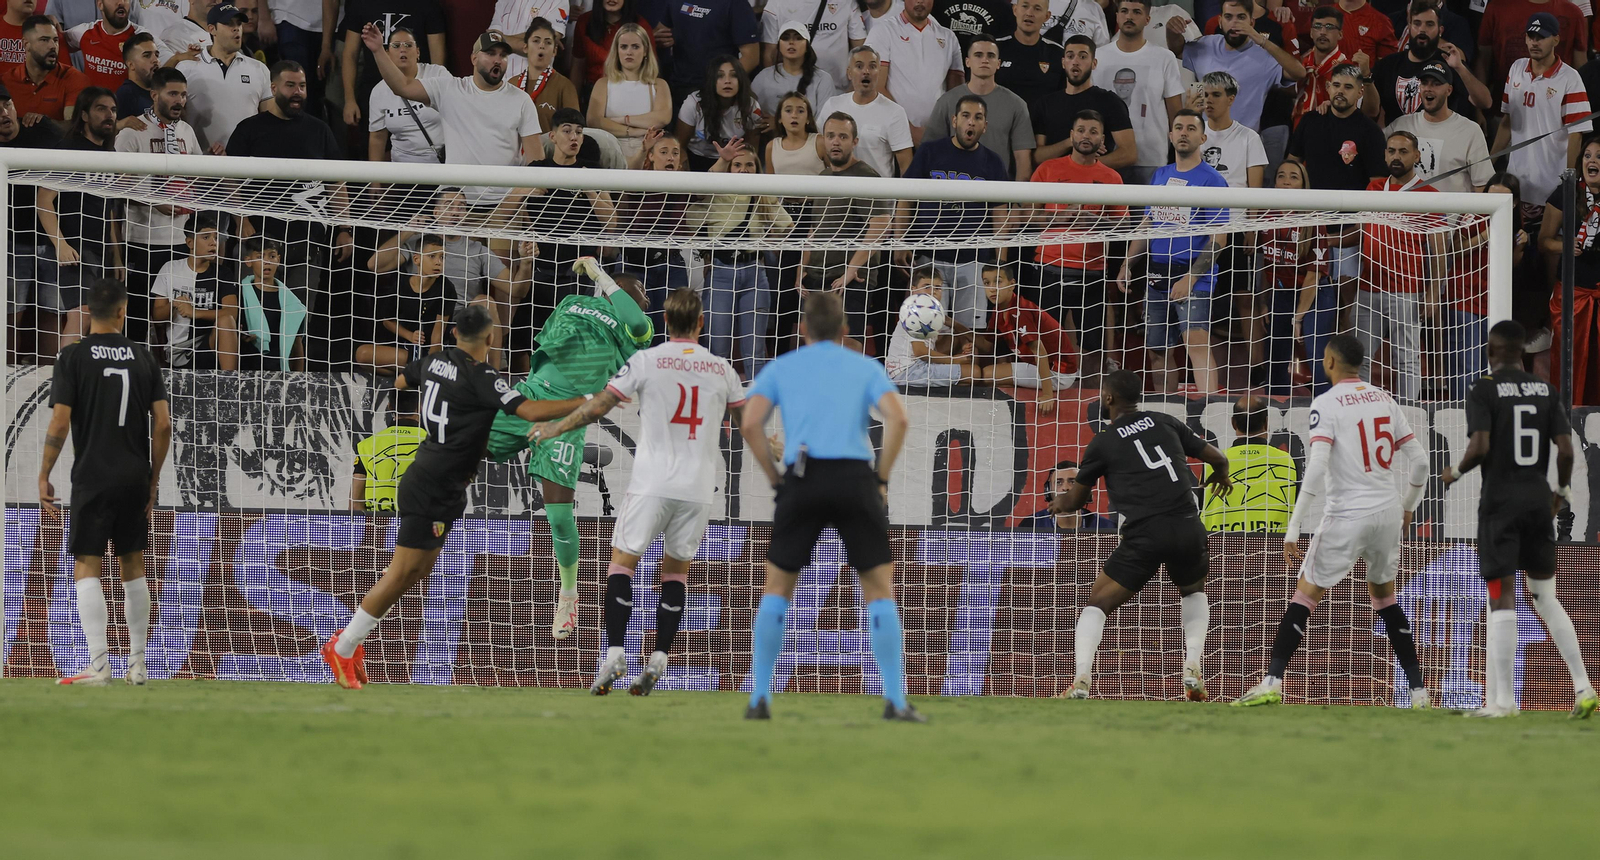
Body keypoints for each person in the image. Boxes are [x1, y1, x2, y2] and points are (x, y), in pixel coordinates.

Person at [321, 305, 587, 689]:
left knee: (416, 572)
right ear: (490, 338)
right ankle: (344, 646)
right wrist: (588, 401)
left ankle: (352, 642)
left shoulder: (433, 362)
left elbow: (401, 381)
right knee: (401, 574)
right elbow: (529, 410)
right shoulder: (482, 376)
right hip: (433, 482)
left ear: (452, 334)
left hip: (438, 480)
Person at [529, 289, 747, 696]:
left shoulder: (646, 360)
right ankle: (661, 654)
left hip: (653, 482)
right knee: (676, 573)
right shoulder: (723, 370)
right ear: (701, 323)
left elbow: (599, 407)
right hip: (698, 487)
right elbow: (748, 424)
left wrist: (556, 427)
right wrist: (777, 450)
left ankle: (614, 652)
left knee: (622, 566)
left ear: (665, 321)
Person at [739, 291, 921, 721]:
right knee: (879, 590)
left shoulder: (782, 366)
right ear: (844, 331)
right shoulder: (863, 366)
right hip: (855, 477)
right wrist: (881, 478)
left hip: (801, 477)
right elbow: (899, 418)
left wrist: (774, 477)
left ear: (802, 329)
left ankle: (758, 698)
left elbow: (749, 423)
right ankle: (894, 701)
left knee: (777, 588)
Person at [1235, 335, 1430, 709]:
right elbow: (1420, 462)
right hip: (1388, 511)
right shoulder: (1385, 399)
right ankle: (1419, 692)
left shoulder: (1326, 403)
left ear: (1328, 362)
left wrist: (1293, 527)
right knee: (1385, 598)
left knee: (1305, 595)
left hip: (1347, 514)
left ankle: (1272, 682)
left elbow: (1318, 466)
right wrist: (1408, 506)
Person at [486, 258, 654, 641]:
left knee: (559, 516)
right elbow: (544, 346)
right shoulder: (572, 302)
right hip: (528, 397)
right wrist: (601, 283)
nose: (646, 297)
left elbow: (639, 322)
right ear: (624, 287)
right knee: (467, 446)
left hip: (570, 414)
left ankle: (568, 593)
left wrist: (599, 273)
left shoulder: (636, 332)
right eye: (641, 289)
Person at [1442, 321, 1595, 719]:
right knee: (1545, 597)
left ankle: (1504, 703)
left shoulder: (1483, 388)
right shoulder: (1546, 390)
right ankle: (1584, 686)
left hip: (1500, 504)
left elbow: (1480, 446)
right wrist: (1560, 492)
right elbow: (1565, 450)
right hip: (1537, 502)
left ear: (1491, 353)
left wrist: (1454, 473)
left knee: (1501, 596)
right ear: (1522, 353)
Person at [1049, 369, 1230, 700]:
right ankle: (1192, 666)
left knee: (1098, 603)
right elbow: (1218, 457)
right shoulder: (1165, 421)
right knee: (1192, 592)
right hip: (1188, 525)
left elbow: (1076, 500)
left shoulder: (1102, 442)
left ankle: (1081, 680)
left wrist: (1061, 501)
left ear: (1108, 398)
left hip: (1146, 532)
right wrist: (1221, 474)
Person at [40, 278, 171, 687]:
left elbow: (60, 420)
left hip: (93, 474)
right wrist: (153, 480)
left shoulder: (73, 357)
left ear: (89, 312)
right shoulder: (144, 357)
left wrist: (43, 473)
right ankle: (138, 666)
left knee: (87, 564)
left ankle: (99, 666)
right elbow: (164, 425)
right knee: (133, 564)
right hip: (133, 474)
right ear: (122, 311)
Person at [363, 26, 543, 209]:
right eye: (490, 53)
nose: (497, 60)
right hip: (456, 205)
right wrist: (378, 51)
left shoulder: (521, 100)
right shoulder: (449, 89)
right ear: (474, 58)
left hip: (504, 205)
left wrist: (517, 200)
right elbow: (402, 86)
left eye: (503, 55)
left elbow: (536, 162)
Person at [1117, 110, 1229, 395]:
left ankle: (1210, 416)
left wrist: (1190, 279)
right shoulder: (1160, 175)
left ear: (1202, 138)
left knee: (1197, 346)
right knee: (1157, 351)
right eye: (1178, 127)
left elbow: (1220, 238)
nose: (1183, 132)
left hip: (1193, 275)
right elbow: (1147, 223)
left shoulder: (1212, 180)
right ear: (1170, 135)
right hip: (1156, 272)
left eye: (1191, 128)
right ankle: (1166, 411)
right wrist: (1127, 263)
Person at [1030, 108, 1125, 384]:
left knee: (1093, 345)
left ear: (1102, 138)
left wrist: (1097, 221)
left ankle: (1090, 400)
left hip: (1091, 272)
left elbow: (1122, 226)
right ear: (1071, 135)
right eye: (1081, 130)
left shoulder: (1111, 178)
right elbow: (1026, 216)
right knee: (1045, 340)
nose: (1086, 136)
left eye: (1093, 131)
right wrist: (1062, 216)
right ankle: (1046, 393)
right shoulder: (1048, 169)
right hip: (1048, 268)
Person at [902, 93, 1011, 330]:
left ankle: (964, 369)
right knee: (925, 329)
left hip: (974, 261)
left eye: (978, 117)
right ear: (954, 121)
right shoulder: (930, 152)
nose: (971, 122)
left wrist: (1000, 262)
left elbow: (1000, 214)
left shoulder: (993, 162)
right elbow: (905, 197)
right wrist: (901, 242)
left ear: (985, 126)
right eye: (965, 116)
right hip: (930, 258)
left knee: (969, 332)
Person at [693, 143, 792, 378]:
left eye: (749, 165)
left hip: (755, 273)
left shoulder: (762, 194)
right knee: (717, 349)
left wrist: (769, 238)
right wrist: (720, 160)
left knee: (755, 351)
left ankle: (756, 410)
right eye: (737, 165)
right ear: (728, 168)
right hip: (721, 273)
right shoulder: (714, 191)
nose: (743, 169)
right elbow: (698, 190)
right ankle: (719, 407)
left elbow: (788, 227)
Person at [112, 65, 195, 344]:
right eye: (172, 93)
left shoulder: (187, 131)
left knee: (177, 313)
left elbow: (195, 178)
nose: (179, 101)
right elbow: (118, 184)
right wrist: (153, 200)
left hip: (181, 239)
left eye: (183, 95)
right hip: (143, 239)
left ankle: (170, 368)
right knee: (137, 311)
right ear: (154, 94)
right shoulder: (133, 131)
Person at [35, 86, 118, 358]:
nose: (110, 115)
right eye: (101, 109)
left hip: (99, 248)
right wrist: (60, 244)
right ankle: (65, 377)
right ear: (83, 114)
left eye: (113, 110)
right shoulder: (68, 150)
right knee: (81, 315)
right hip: (72, 247)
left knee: (108, 318)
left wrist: (116, 255)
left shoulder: (111, 154)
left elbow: (109, 210)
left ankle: (93, 375)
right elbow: (43, 200)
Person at [1358, 131, 1437, 401]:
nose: (1396, 156)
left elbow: (1438, 251)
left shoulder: (1430, 194)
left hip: (1407, 290)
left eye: (1403, 152)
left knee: (1406, 359)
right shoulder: (1373, 189)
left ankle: (1409, 415)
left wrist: (1434, 292)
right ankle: (1362, 412)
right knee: (1361, 358)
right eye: (1391, 150)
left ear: (1416, 156)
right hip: (1368, 287)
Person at [1492, 14, 1592, 223]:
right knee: (1514, 249)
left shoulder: (1570, 78)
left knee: (1545, 248)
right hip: (1516, 184)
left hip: (1551, 186)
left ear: (1556, 39)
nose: (1534, 42)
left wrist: (1569, 180)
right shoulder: (1516, 69)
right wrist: (1489, 163)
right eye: (1530, 36)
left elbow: (1576, 134)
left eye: (1541, 37)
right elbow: (1507, 122)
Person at [1175, 0, 1303, 133]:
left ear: (1252, 22)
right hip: (1206, 137)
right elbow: (1179, 53)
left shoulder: (1263, 55)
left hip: (1250, 135)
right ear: (1220, 21)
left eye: (1241, 17)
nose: (1235, 23)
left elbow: (1299, 73)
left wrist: (1261, 40)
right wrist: (1172, 31)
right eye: (1229, 17)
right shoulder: (1207, 43)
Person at [1257, 160, 1328, 395]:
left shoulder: (1313, 220)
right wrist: (1266, 302)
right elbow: (1268, 264)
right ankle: (1275, 410)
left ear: (1303, 185)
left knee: (1317, 355)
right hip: (1281, 292)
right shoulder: (1266, 216)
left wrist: (1298, 317)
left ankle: (1323, 407)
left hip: (1315, 293)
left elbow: (1313, 275)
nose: (1286, 180)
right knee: (1275, 354)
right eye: (1281, 175)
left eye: (1294, 177)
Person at [1093, 0, 1183, 183]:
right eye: (1124, 11)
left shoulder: (1164, 58)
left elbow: (1175, 114)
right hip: (1107, 157)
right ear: (1117, 16)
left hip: (1152, 159)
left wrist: (1179, 157)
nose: (1129, 16)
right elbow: (1089, 107)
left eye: (1136, 12)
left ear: (1147, 19)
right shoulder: (1098, 56)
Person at [924, 33, 1036, 179]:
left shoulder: (1016, 105)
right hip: (953, 190)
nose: (984, 60)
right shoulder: (946, 101)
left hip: (997, 193)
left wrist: (1019, 201)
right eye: (978, 55)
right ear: (968, 62)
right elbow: (929, 151)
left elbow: (1023, 159)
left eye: (990, 55)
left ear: (998, 63)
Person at [1539, 142, 1600, 405]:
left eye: (1598, 156)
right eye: (1587, 155)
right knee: (1568, 363)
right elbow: (1543, 241)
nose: (1591, 161)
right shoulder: (1567, 191)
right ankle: (1565, 424)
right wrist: (1565, 245)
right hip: (1573, 296)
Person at [1367, 0, 1489, 127]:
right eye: (1417, 24)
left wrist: (1460, 67)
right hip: (1397, 142)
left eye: (1429, 24)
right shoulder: (1388, 65)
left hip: (1439, 141)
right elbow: (1371, 111)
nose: (1422, 30)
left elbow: (1485, 102)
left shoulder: (1449, 63)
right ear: (1409, 27)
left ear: (1440, 30)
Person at [337, 0, 446, 140]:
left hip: (418, 93)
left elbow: (438, 60)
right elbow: (350, 55)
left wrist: (436, 100)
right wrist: (349, 100)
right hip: (372, 89)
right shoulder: (361, 4)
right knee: (373, 148)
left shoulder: (429, 5)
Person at [978, 262, 1078, 410]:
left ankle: (1033, 397)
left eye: (998, 282)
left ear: (1012, 284)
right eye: (987, 283)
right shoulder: (999, 310)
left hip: (1059, 373)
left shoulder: (1021, 311)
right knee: (994, 375)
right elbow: (986, 346)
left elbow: (1040, 351)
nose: (992, 288)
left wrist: (1047, 395)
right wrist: (954, 325)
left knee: (988, 375)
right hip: (1039, 366)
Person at [1384, 61, 1491, 194]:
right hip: (1407, 213)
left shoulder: (1470, 131)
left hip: (1451, 214)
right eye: (1425, 83)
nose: (1429, 88)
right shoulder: (1401, 125)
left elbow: (1482, 185)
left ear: (1449, 90)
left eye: (1436, 84)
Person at [864, 0, 963, 143]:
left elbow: (956, 92)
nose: (920, 1)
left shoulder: (949, 37)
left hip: (938, 136)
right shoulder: (883, 31)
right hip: (891, 136)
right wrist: (909, 130)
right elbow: (875, 88)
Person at [1032, 34, 1135, 170]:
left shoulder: (1110, 102)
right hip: (1055, 184)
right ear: (1063, 63)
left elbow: (1129, 154)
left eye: (1083, 56)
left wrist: (1088, 165)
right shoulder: (1045, 104)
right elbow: (1038, 157)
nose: (1075, 61)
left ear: (1094, 63)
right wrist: (1071, 142)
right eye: (1070, 56)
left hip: (1094, 185)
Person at [175, 4, 267, 151]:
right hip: (201, 163)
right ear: (212, 29)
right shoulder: (187, 68)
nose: (236, 28)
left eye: (238, 23)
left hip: (247, 163)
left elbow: (270, 120)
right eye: (229, 24)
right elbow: (176, 117)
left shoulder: (259, 69)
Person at [356, 234, 452, 375]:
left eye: (442, 257)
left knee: (427, 364)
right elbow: (387, 321)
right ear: (416, 259)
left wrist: (432, 366)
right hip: (406, 350)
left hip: (431, 353)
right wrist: (409, 335)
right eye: (432, 256)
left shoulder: (447, 288)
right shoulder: (402, 284)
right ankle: (412, 374)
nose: (438, 262)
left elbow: (437, 337)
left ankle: (423, 372)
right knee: (362, 354)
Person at [1201, 395, 1298, 532]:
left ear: (1233, 423)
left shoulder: (1212, 463)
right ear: (1266, 423)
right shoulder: (1287, 462)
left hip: (1220, 548)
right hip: (1272, 548)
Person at [151, 211, 233, 369]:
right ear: (190, 243)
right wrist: (174, 304)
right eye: (206, 237)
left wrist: (194, 312)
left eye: (216, 237)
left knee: (226, 322)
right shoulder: (170, 268)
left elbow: (231, 313)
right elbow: (157, 317)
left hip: (209, 344)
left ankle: (231, 387)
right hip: (179, 351)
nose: (213, 243)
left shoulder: (223, 273)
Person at [818, 45, 913, 177]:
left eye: (872, 66)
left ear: (879, 72)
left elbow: (906, 166)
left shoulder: (895, 112)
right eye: (859, 66)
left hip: (878, 195)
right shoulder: (832, 105)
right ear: (849, 73)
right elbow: (819, 148)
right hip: (838, 192)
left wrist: (903, 198)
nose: (866, 71)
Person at [1287, 63, 1384, 191]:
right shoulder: (1310, 121)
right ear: (1328, 87)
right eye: (1336, 85)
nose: (1340, 91)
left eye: (1348, 87)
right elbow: (1292, 164)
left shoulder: (1371, 131)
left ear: (1360, 92)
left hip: (1353, 208)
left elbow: (1378, 182)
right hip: (1311, 206)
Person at [587, 23, 671, 160]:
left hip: (648, 150)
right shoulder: (602, 84)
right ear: (617, 51)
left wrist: (621, 120)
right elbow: (594, 121)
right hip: (610, 147)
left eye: (635, 47)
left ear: (645, 51)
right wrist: (633, 131)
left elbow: (662, 118)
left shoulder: (659, 85)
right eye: (624, 47)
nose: (629, 52)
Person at [364, 24, 447, 163]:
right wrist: (375, 183)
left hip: (442, 164)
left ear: (418, 52)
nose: (403, 49)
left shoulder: (438, 75)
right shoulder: (379, 91)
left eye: (409, 45)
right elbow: (377, 138)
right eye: (396, 46)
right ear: (387, 54)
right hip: (403, 169)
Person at [886, 267, 979, 388]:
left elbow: (954, 338)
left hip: (909, 368)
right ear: (913, 290)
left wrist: (962, 345)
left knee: (958, 346)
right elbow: (920, 352)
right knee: (974, 372)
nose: (933, 291)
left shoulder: (932, 312)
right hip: (907, 371)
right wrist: (954, 360)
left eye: (937, 288)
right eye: (927, 286)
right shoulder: (917, 310)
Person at [657, 0, 760, 108]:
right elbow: (661, 30)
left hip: (716, 92)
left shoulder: (735, 3)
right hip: (679, 85)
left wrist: (723, 83)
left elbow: (751, 56)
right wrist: (659, 39)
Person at [225, 236, 305, 371]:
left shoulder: (292, 303)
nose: (267, 261)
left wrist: (298, 380)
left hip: (278, 372)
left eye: (272, 256)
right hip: (244, 368)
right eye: (260, 256)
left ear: (278, 260)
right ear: (248, 261)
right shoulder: (237, 294)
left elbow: (297, 346)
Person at [676, 54, 762, 172]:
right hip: (696, 158)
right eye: (720, 76)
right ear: (712, 80)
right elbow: (680, 145)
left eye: (734, 75)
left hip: (734, 160)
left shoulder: (751, 106)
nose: (727, 81)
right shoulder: (693, 103)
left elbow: (752, 149)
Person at [1477, 0, 1585, 92]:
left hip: (1558, 108)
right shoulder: (1497, 8)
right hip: (1504, 105)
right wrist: (1478, 109)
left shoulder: (1572, 13)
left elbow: (1581, 68)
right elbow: (1483, 59)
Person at [350, 389, 425, 513]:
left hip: (379, 526)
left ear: (389, 407)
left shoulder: (367, 445)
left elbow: (355, 503)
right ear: (420, 407)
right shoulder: (435, 445)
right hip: (419, 525)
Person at [7, 14, 89, 125]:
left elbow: (73, 127)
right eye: (44, 40)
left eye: (55, 40)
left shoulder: (75, 79)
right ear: (26, 44)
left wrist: (45, 123)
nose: (53, 46)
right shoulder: (6, 81)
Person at [760, 3, 862, 91]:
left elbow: (861, 51)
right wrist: (776, 90)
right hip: (791, 94)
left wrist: (853, 89)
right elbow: (770, 55)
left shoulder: (846, 2)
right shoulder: (776, 4)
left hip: (839, 90)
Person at [751, 21, 838, 121]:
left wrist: (779, 125)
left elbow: (825, 122)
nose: (791, 42)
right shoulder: (763, 77)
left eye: (798, 38)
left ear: (807, 46)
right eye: (786, 38)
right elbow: (751, 113)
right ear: (779, 45)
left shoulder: (823, 79)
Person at [1195, 70, 1265, 188]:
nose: (1209, 100)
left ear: (1231, 99)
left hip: (1235, 205)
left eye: (1216, 95)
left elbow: (1255, 193)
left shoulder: (1250, 137)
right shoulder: (1194, 133)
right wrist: (1192, 115)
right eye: (1205, 95)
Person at [511, 17, 578, 133]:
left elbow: (573, 132)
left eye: (548, 42)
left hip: (548, 150)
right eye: (536, 41)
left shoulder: (564, 86)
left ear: (554, 51)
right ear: (525, 47)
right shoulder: (511, 84)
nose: (541, 46)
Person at [571, 0, 652, 95]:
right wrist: (573, 103)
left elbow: (650, 67)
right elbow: (578, 66)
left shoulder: (641, 25)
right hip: (593, 91)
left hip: (630, 91)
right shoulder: (584, 21)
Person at [995, 0, 1065, 109]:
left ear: (1047, 16)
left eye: (1037, 9)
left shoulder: (1058, 54)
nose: (1029, 13)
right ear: (1015, 10)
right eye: (1024, 6)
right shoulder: (995, 49)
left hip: (1043, 125)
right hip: (1002, 123)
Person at [65, 0, 148, 90]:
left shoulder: (142, 38)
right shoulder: (84, 33)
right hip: (91, 102)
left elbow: (165, 63)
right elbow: (57, 42)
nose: (121, 2)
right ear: (100, 4)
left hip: (126, 103)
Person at [1293, 4, 1349, 126]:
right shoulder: (1300, 64)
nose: (1323, 32)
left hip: (1331, 131)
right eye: (1317, 27)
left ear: (1340, 34)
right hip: (1298, 130)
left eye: (1329, 27)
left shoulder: (1348, 69)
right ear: (1311, 33)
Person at [485, 0, 568, 80]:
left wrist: (501, 39)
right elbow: (491, 40)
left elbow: (542, 46)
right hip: (499, 79)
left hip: (533, 84)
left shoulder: (559, 1)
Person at [1023, 460, 1117, 530]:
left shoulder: (1105, 526)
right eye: (1059, 482)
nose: (1065, 488)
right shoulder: (1031, 524)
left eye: (1072, 482)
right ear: (1048, 490)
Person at [113, 29, 158, 117]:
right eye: (147, 56)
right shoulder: (125, 95)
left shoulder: (161, 91)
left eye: (156, 55)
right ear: (131, 65)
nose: (155, 60)